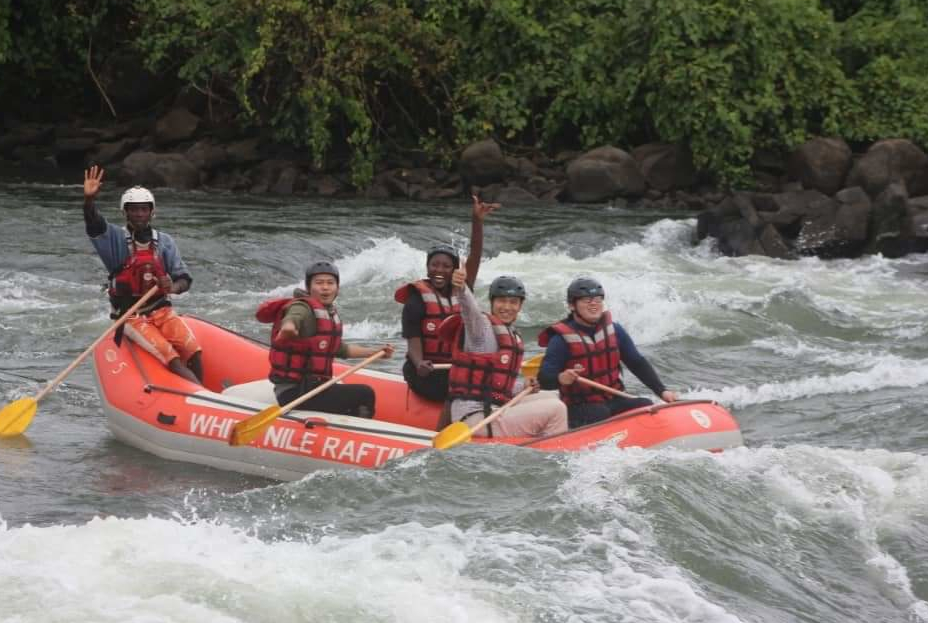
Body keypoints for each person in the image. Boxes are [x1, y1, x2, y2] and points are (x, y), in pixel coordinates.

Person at [82, 166, 202, 384]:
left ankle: (203, 391)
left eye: (144, 209)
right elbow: (94, 225)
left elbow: (184, 278)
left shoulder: (164, 242)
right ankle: (203, 396)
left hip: (160, 310)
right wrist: (89, 201)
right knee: (171, 356)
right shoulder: (115, 239)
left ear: (151, 212)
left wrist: (171, 288)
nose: (139, 214)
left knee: (193, 350)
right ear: (125, 212)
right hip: (130, 316)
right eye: (134, 209)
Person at [438, 267, 568, 437]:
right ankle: (551, 451)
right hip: (474, 419)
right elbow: (469, 311)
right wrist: (462, 287)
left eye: (513, 302)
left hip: (493, 407)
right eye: (501, 301)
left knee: (552, 397)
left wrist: (523, 386)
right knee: (557, 409)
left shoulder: (510, 333)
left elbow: (495, 385)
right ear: (492, 302)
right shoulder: (480, 329)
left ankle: (539, 441)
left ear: (520, 306)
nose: (507, 307)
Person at [394, 194, 499, 402]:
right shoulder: (417, 300)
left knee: (487, 387)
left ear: (454, 270)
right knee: (459, 390)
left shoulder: (462, 290)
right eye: (434, 265)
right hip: (424, 370)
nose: (439, 270)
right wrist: (419, 363)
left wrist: (477, 221)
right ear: (427, 267)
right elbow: (413, 344)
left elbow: (475, 256)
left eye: (446, 266)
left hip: (453, 368)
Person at [257, 261, 395, 418]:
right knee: (365, 393)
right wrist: (288, 328)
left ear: (337, 288)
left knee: (348, 395)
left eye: (330, 283)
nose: (325, 287)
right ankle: (361, 434)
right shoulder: (302, 307)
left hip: (313, 387)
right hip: (295, 392)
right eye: (319, 283)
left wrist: (376, 352)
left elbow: (339, 349)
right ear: (309, 288)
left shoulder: (326, 312)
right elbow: (292, 318)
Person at [537, 277, 678, 428]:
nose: (593, 304)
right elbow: (544, 379)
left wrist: (662, 391)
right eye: (586, 300)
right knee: (599, 413)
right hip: (579, 407)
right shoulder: (560, 339)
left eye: (597, 299)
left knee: (645, 405)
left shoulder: (615, 330)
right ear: (572, 305)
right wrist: (560, 378)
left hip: (615, 399)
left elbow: (637, 363)